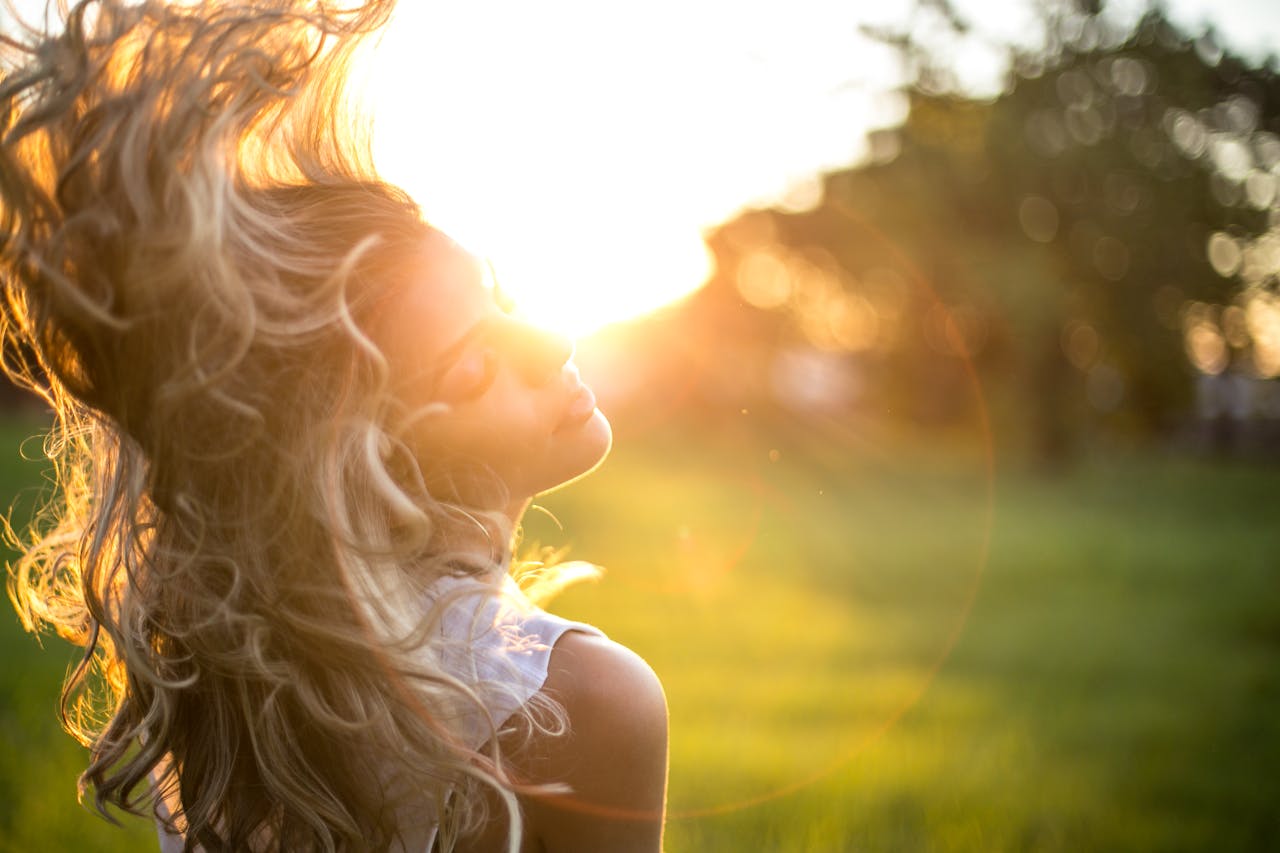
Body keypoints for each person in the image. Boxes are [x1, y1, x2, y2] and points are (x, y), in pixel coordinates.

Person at [0, 1, 667, 851]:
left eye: (501, 294)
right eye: (470, 367)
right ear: (360, 462)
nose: (553, 340)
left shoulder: (227, 689)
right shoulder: (583, 701)